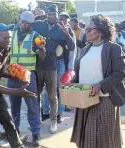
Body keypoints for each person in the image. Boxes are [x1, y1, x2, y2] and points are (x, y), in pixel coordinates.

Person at [70, 14, 124, 148]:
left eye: (90, 29)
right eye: (86, 29)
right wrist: (72, 82)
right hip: (85, 101)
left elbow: (120, 73)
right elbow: (81, 71)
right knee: (86, 140)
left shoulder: (113, 48)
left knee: (103, 141)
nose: (86, 31)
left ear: (100, 30)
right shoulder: (84, 49)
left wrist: (100, 85)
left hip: (104, 101)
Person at [32, 4, 75, 134]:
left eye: (54, 14)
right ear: (47, 14)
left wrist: (67, 34)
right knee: (36, 94)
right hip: (38, 65)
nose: (52, 16)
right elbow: (24, 26)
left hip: (52, 66)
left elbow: (72, 47)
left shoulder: (62, 28)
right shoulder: (39, 24)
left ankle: (53, 121)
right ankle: (36, 121)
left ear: (57, 15)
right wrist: (32, 17)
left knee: (52, 95)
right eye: (50, 14)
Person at [8, 11, 45, 147]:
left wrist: (41, 49)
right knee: (14, 106)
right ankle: (15, 132)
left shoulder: (35, 36)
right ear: (20, 20)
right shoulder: (12, 34)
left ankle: (36, 133)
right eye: (23, 22)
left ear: (31, 24)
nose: (25, 25)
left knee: (32, 105)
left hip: (28, 78)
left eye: (28, 23)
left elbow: (42, 57)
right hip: (13, 76)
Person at [41, 12, 77, 122]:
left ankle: (59, 114)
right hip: (48, 63)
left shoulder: (68, 31)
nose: (63, 20)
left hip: (61, 63)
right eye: (61, 18)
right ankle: (45, 112)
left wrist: (70, 67)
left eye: (66, 19)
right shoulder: (50, 28)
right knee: (47, 89)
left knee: (60, 89)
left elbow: (72, 50)